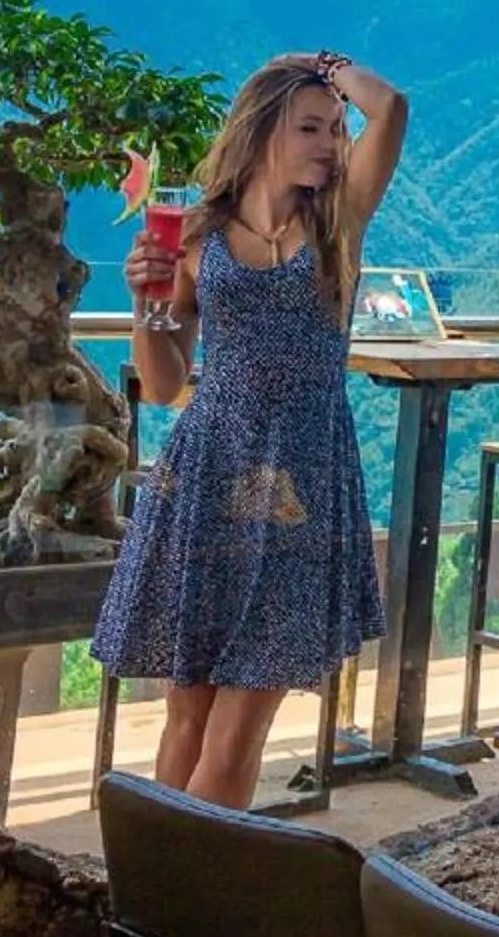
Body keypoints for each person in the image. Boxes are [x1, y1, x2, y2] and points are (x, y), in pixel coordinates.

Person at [90, 49, 408, 807]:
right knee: (186, 719)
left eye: (336, 128)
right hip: (207, 473)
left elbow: (390, 108)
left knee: (235, 737)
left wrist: (326, 67)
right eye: (312, 128)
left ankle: (186, 905)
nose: (332, 144)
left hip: (303, 483)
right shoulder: (197, 234)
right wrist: (145, 303)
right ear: (264, 131)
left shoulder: (338, 220)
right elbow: (166, 382)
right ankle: (148, 895)